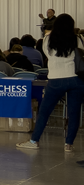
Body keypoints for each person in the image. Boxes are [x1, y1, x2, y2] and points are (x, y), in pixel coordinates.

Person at [18, 14, 84, 153]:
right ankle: (68, 144)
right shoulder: (77, 38)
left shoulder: (47, 39)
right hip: (75, 79)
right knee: (74, 113)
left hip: (55, 79)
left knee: (45, 112)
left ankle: (34, 141)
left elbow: (48, 56)